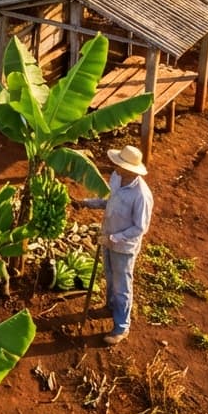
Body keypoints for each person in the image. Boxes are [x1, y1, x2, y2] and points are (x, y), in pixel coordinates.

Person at [76, 144, 154, 346]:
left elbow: (140, 228)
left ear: (130, 169)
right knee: (109, 276)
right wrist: (86, 203)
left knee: (122, 286)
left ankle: (121, 327)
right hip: (107, 237)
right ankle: (110, 307)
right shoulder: (116, 177)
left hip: (124, 247)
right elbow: (108, 201)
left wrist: (114, 238)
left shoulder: (141, 195)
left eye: (120, 164)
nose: (116, 166)